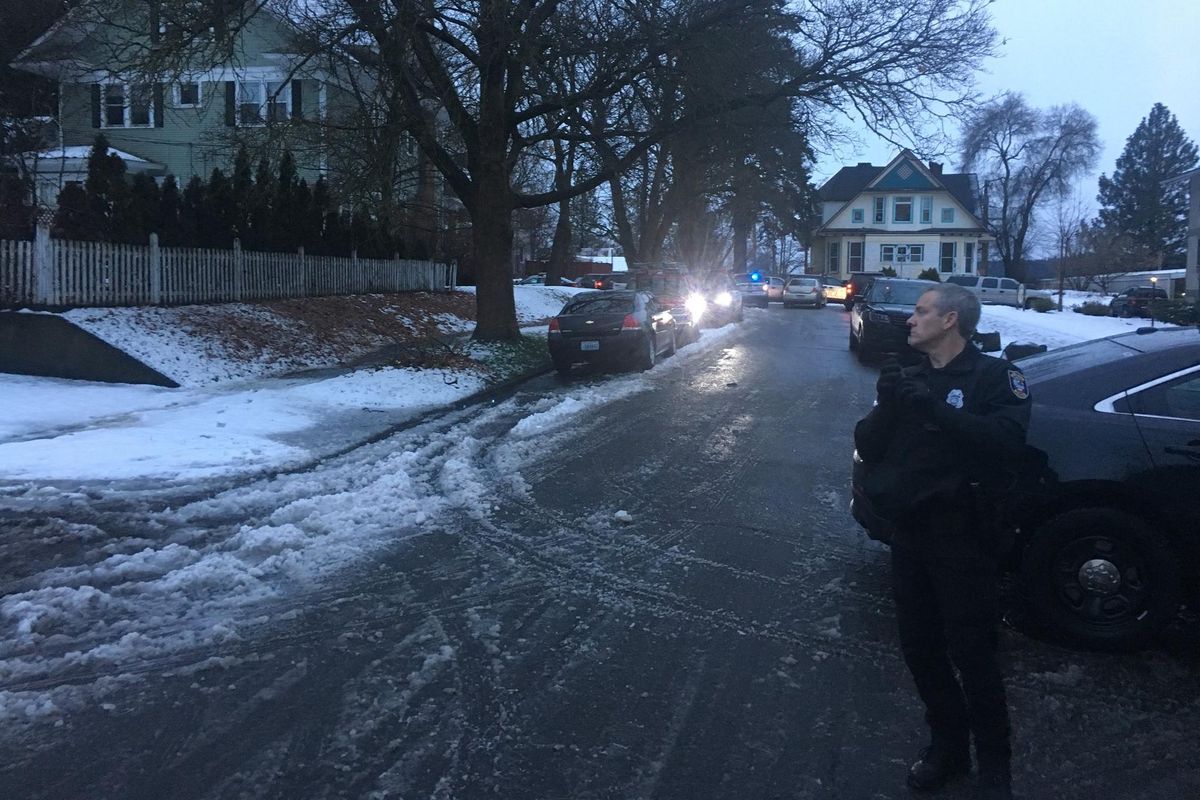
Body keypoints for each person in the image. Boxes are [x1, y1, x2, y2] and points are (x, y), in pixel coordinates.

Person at [853, 283, 1031, 800]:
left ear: (950, 320)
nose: (910, 320)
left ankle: (995, 763)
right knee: (921, 649)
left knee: (972, 654)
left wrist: (934, 409)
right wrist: (888, 404)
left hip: (964, 538)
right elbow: (869, 442)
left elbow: (1005, 444)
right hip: (910, 535)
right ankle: (947, 747)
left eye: (921, 311)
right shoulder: (909, 376)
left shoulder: (996, 377)